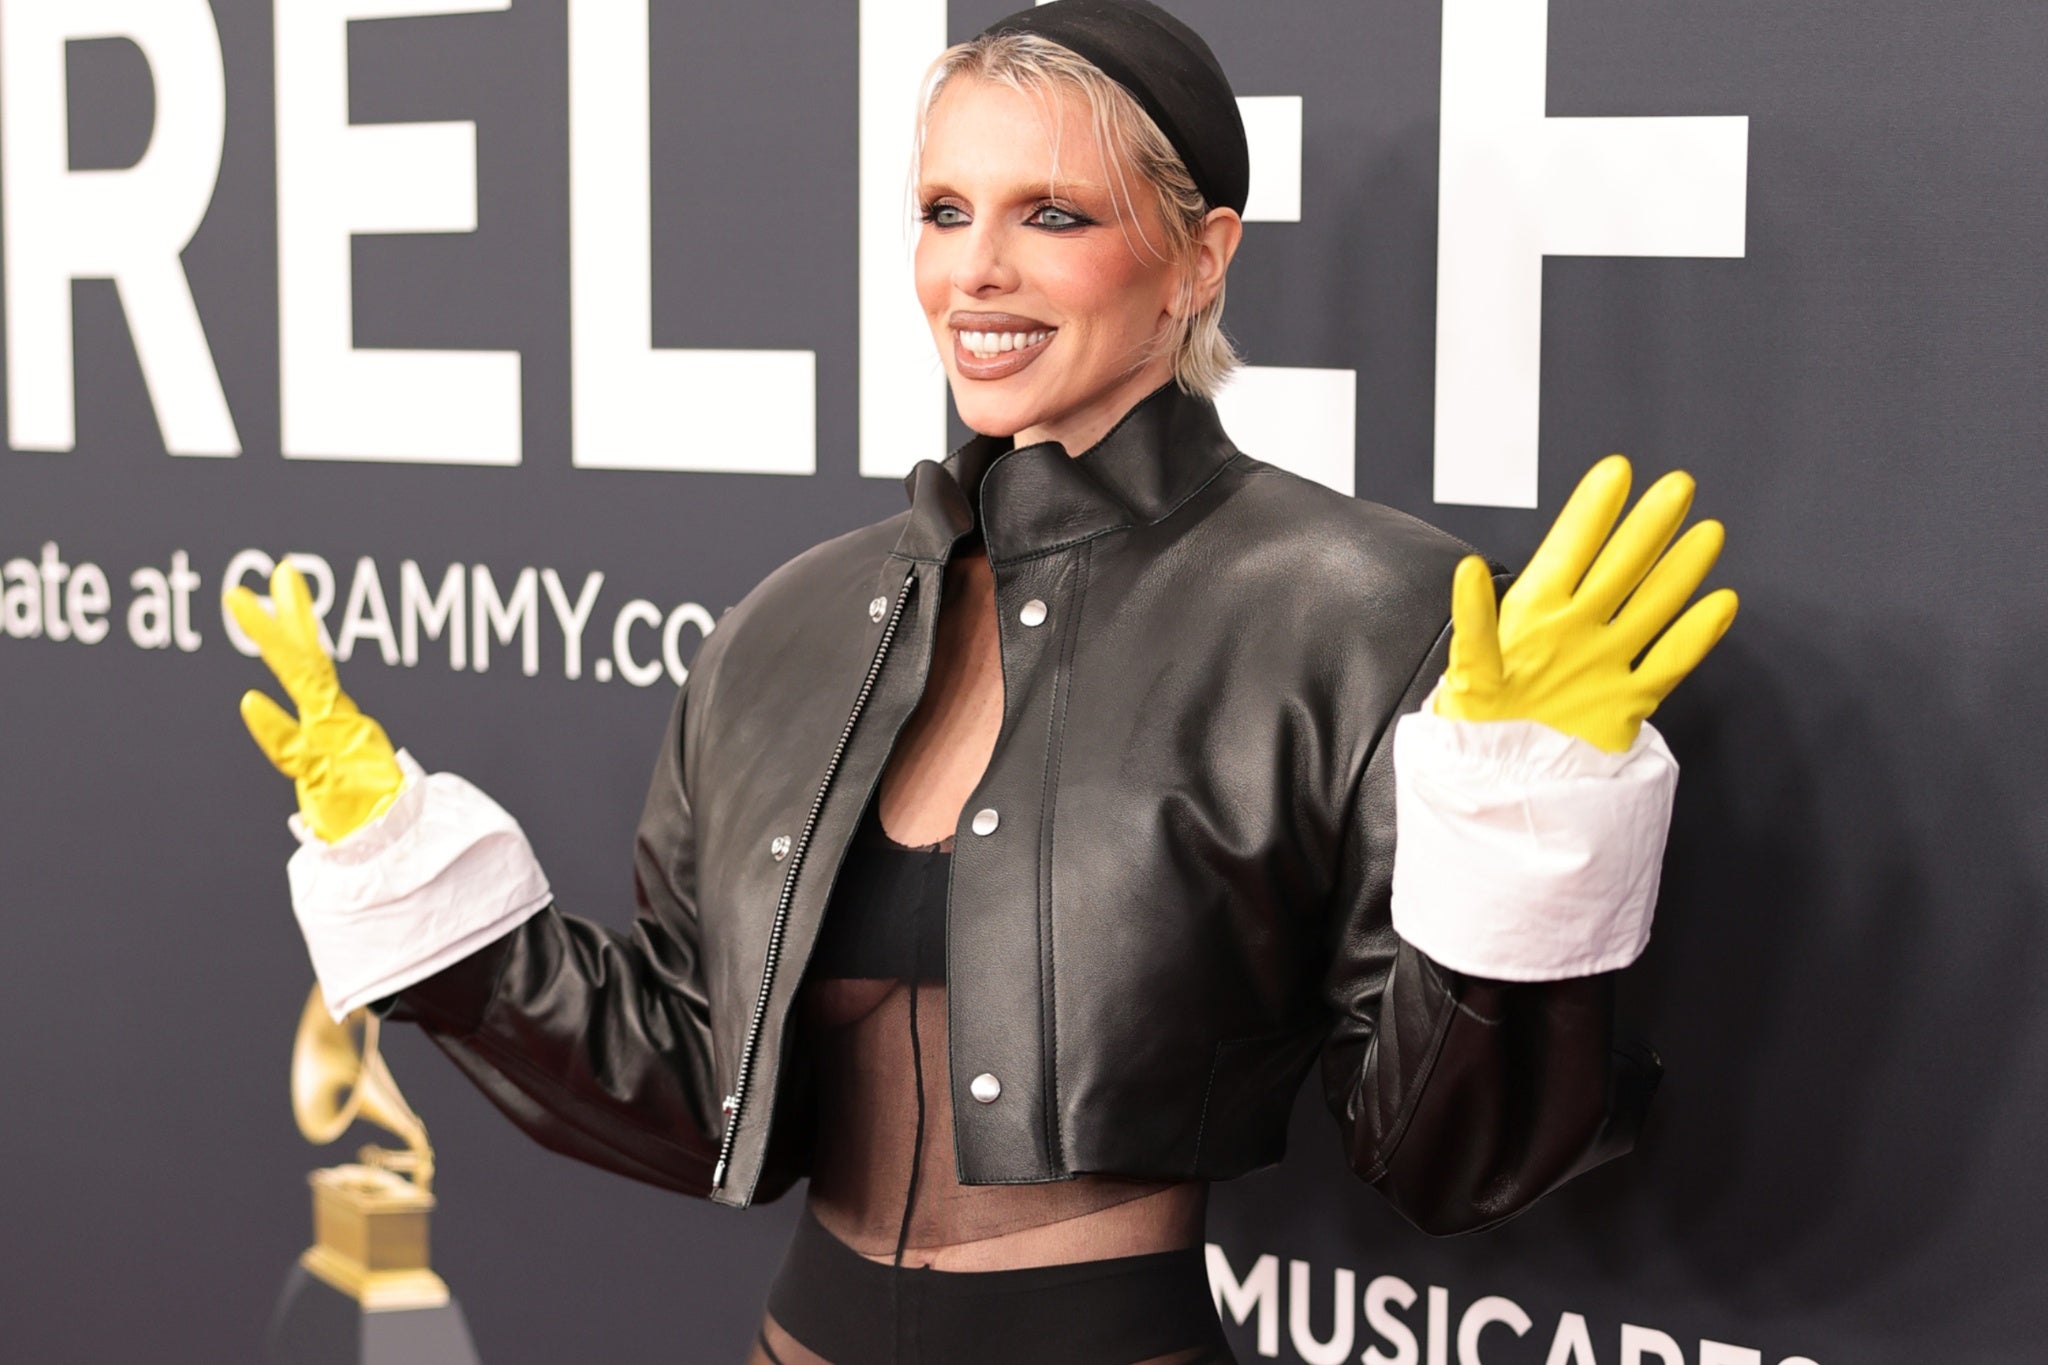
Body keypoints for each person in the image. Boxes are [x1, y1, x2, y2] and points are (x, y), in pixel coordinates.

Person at [227, 3, 1737, 1361]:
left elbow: (1444, 1163)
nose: (976, 270)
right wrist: (426, 907)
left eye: (1051, 213)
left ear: (1200, 255)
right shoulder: (789, 623)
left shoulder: (1363, 612)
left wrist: (1523, 876)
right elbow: (693, 1079)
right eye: (945, 210)